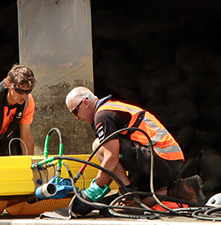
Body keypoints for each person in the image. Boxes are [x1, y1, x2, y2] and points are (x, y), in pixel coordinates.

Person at [65, 87, 200, 206]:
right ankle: (183, 190)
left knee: (98, 145)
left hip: (160, 158)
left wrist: (94, 189)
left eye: (74, 112)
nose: (77, 118)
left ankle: (128, 193)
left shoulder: (103, 115)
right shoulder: (111, 107)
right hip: (169, 161)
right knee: (132, 206)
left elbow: (111, 158)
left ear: (85, 103)